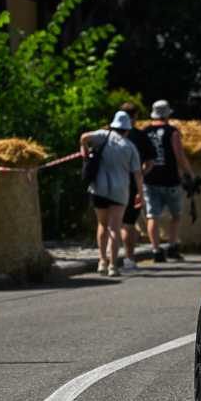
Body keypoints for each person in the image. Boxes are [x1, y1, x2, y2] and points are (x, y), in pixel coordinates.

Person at [80, 110, 144, 278]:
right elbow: (137, 174)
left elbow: (84, 137)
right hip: (120, 190)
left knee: (102, 225)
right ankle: (113, 265)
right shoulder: (130, 147)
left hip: (99, 188)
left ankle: (102, 261)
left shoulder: (103, 136)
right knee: (114, 228)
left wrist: (84, 150)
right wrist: (140, 193)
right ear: (127, 129)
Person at [143, 100, 195, 262]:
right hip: (170, 179)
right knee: (176, 215)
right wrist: (190, 173)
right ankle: (172, 246)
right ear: (167, 114)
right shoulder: (172, 132)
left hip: (150, 178)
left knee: (153, 215)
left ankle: (155, 249)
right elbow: (179, 155)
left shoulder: (145, 131)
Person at [118, 101, 154, 271]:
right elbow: (150, 162)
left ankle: (106, 261)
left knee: (108, 225)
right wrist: (139, 176)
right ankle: (129, 259)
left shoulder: (107, 135)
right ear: (135, 116)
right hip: (132, 185)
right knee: (128, 223)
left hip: (107, 185)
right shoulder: (140, 136)